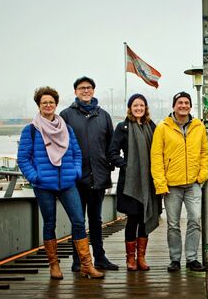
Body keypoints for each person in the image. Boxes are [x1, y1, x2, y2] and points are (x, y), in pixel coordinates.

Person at [17, 86, 104, 279]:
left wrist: (74, 172)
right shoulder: (31, 130)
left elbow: (76, 152)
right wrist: (35, 177)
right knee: (49, 223)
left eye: (51, 102)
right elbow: (23, 158)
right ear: (39, 106)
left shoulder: (66, 128)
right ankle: (54, 265)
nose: (48, 105)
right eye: (44, 102)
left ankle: (86, 265)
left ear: (56, 104)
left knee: (79, 221)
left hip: (67, 183)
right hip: (43, 185)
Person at [60, 76, 118, 271]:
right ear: (75, 91)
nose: (85, 91)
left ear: (93, 90)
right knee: (78, 219)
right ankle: (79, 260)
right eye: (81, 88)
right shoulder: (66, 115)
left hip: (99, 176)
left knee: (96, 219)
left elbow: (111, 144)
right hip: (75, 177)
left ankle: (100, 257)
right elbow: (60, 145)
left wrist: (109, 164)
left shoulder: (104, 116)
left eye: (89, 88)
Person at [151, 91, 208, 272]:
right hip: (171, 186)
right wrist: (160, 183)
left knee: (195, 220)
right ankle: (175, 258)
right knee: (173, 224)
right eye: (180, 103)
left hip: (193, 184)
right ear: (174, 106)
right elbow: (156, 156)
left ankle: (192, 258)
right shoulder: (163, 127)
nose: (183, 106)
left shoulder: (198, 126)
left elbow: (204, 153)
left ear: (190, 106)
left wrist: (202, 175)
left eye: (186, 103)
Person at [108, 94, 162, 271]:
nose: (138, 108)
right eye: (135, 105)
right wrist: (126, 166)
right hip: (131, 183)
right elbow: (113, 152)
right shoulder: (123, 127)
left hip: (149, 181)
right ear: (130, 108)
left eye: (141, 105)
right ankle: (130, 259)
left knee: (145, 218)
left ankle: (142, 258)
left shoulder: (151, 126)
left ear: (146, 108)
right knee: (133, 220)